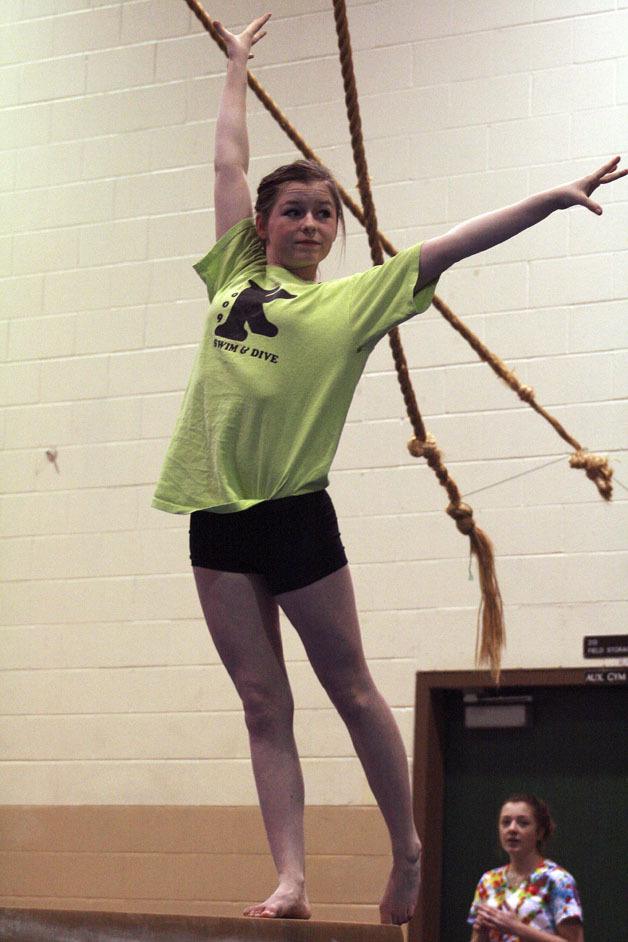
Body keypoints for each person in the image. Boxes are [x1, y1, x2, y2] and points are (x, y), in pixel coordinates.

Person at [152, 12, 625, 926]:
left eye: (324, 213)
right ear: (262, 224)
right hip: (215, 514)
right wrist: (236, 69)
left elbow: (455, 242)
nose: (311, 222)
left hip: (296, 516)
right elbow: (223, 166)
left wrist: (554, 197)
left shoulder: (360, 301)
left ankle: (405, 845)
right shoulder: (231, 275)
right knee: (262, 703)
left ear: (334, 232)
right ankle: (289, 878)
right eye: (293, 209)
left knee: (351, 686)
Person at [468, 794, 584, 942]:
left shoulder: (557, 879)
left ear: (540, 832)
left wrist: (516, 928)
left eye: (523, 823)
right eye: (506, 822)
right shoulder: (488, 880)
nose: (512, 829)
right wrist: (481, 932)